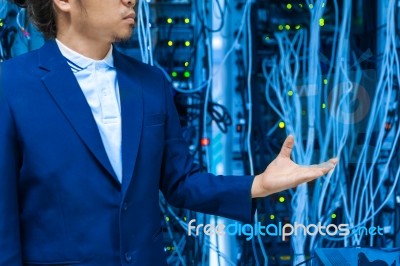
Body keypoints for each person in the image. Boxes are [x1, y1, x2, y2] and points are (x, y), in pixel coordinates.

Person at [0, 0, 337, 265]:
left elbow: (180, 182)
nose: (132, 1)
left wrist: (258, 185)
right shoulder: (11, 85)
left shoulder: (150, 83)